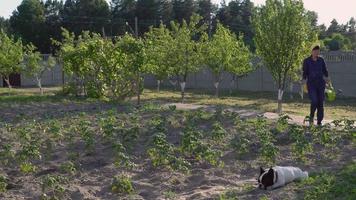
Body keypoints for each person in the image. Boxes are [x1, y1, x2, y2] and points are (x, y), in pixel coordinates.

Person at [302, 45, 330, 126]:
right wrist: (303, 80)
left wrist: (328, 79)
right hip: (311, 84)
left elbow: (325, 70)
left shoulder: (321, 60)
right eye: (315, 51)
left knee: (320, 102)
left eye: (318, 51)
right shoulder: (307, 61)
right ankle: (311, 117)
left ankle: (319, 121)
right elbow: (305, 72)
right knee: (314, 101)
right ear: (311, 51)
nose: (316, 53)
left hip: (321, 84)